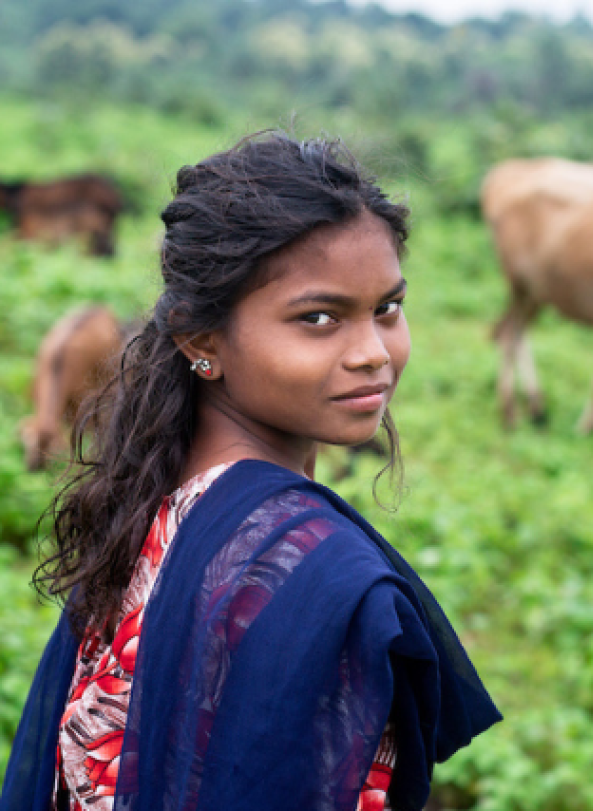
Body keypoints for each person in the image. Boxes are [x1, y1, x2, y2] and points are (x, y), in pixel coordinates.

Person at [0, 132, 501, 811]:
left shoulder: (154, 500)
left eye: (386, 307)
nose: (373, 352)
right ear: (201, 340)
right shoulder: (322, 581)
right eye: (318, 317)